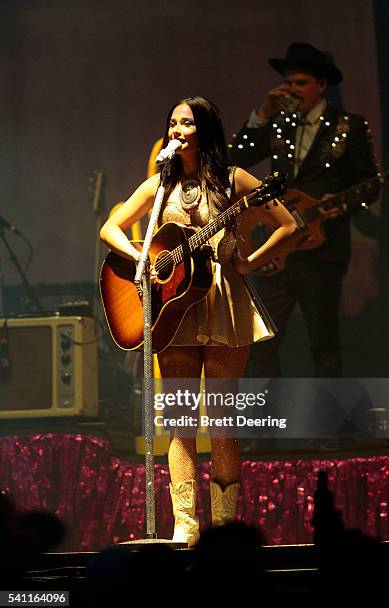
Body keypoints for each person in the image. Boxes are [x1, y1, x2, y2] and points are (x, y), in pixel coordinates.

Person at [100, 96, 297, 546]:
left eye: (185, 123)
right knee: (181, 421)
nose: (176, 130)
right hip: (175, 310)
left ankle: (225, 530)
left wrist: (250, 263)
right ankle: (185, 525)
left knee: (223, 421)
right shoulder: (158, 187)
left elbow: (287, 225)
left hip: (223, 302)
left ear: (205, 130)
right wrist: (140, 258)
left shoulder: (235, 179)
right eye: (171, 123)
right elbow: (110, 228)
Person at [229, 43, 381, 378]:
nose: (292, 90)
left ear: (321, 85)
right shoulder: (279, 123)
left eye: (300, 82)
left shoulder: (348, 126)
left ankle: (327, 429)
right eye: (289, 83)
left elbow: (371, 185)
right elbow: (237, 159)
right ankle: (265, 427)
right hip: (275, 249)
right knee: (263, 342)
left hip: (322, 251)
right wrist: (262, 114)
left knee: (323, 342)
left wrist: (332, 207)